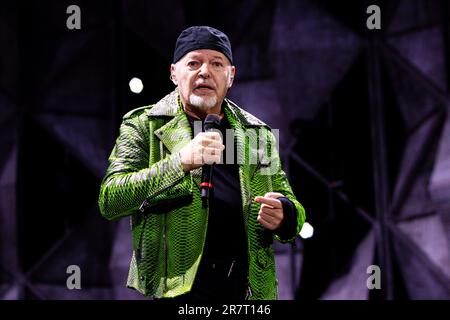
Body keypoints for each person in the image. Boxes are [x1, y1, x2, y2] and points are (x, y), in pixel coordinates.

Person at [98, 26, 305, 301]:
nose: (205, 72)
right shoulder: (143, 125)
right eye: (194, 63)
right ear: (174, 73)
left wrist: (286, 215)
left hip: (246, 293)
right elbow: (110, 199)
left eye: (217, 63)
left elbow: (290, 203)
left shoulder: (257, 135)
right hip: (179, 292)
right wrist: (180, 162)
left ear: (230, 76)